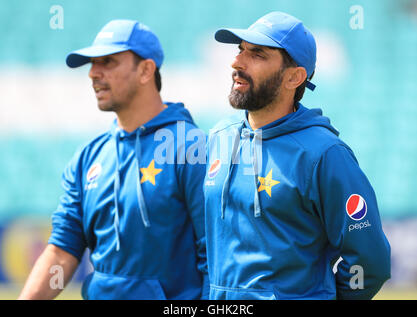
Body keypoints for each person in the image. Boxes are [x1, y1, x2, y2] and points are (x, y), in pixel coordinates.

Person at [204, 11, 390, 300]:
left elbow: (370, 262)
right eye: (240, 50)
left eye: (257, 54)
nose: (236, 62)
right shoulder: (218, 137)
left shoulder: (325, 154)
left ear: (294, 77)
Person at [18, 19, 208, 300]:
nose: (93, 74)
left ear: (146, 70)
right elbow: (62, 251)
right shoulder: (88, 157)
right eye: (92, 64)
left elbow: (216, 256)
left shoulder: (192, 148)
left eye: (108, 62)